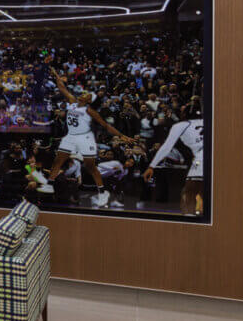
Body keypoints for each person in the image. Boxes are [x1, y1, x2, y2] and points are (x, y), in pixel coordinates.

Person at [38, 65, 124, 205]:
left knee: (91, 167)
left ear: (88, 100)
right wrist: (55, 73)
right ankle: (49, 184)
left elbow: (106, 125)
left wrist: (121, 136)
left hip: (84, 137)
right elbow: (62, 87)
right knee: (58, 161)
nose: (83, 94)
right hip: (71, 136)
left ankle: (102, 192)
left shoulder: (89, 110)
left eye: (86, 94)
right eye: (83, 93)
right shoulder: (72, 102)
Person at [144, 101, 204, 217]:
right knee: (204, 190)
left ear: (185, 114)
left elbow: (166, 147)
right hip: (217, 156)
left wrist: (152, 166)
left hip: (201, 157)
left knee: (190, 191)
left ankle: (189, 220)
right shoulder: (211, 121)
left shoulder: (181, 125)